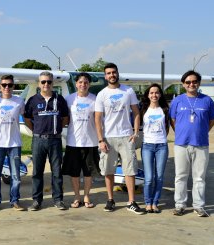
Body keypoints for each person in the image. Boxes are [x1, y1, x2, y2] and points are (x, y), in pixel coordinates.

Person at [94, 62, 144, 214]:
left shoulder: (128, 90)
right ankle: (110, 200)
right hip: (109, 138)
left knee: (130, 170)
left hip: (126, 137)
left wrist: (135, 132)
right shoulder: (102, 94)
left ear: (118, 73)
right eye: (108, 73)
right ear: (105, 76)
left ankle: (131, 201)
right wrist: (101, 140)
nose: (112, 75)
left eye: (114, 72)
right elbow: (97, 119)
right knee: (108, 170)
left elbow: (136, 112)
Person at [170, 70, 214, 217]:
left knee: (199, 177)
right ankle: (180, 205)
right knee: (181, 176)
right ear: (183, 84)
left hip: (201, 144)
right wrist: (182, 133)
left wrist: (201, 132)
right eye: (188, 82)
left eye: (194, 81)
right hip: (181, 144)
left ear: (199, 83)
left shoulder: (207, 100)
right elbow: (173, 120)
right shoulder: (177, 100)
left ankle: (199, 206)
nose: (192, 84)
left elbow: (211, 121)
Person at [24, 71, 69, 211]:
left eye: (49, 82)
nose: (46, 84)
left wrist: (56, 130)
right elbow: (26, 119)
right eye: (43, 82)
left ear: (52, 83)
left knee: (57, 172)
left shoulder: (59, 99)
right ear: (39, 84)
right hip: (38, 140)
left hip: (55, 140)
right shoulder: (33, 100)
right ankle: (37, 200)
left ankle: (58, 200)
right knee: (37, 172)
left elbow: (65, 118)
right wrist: (36, 130)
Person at [0, 74, 26, 212]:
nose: (7, 87)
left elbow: (27, 117)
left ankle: (15, 201)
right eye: (4, 85)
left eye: (10, 85)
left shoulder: (19, 101)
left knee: (16, 176)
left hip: (14, 144)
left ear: (14, 86)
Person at [62, 72, 100, 208]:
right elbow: (64, 119)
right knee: (75, 172)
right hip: (73, 142)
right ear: (76, 84)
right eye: (80, 82)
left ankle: (86, 196)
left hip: (91, 141)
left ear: (89, 84)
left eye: (86, 82)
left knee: (89, 172)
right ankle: (77, 196)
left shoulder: (95, 99)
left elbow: (98, 120)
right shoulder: (69, 99)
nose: (83, 85)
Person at [140, 83, 170, 213]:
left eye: (157, 92)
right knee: (149, 178)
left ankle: (155, 203)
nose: (154, 95)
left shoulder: (164, 109)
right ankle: (147, 202)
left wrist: (161, 139)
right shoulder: (143, 109)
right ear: (148, 95)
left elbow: (167, 127)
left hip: (162, 146)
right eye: (151, 93)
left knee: (159, 177)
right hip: (147, 146)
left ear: (160, 94)